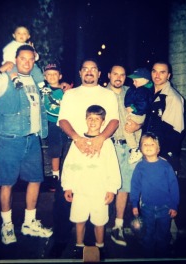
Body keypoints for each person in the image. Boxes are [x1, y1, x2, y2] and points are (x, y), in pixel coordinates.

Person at [0, 45, 53, 245]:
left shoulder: (35, 79)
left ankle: (29, 222)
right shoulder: (4, 78)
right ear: (15, 59)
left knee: (35, 180)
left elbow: (48, 97)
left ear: (34, 60)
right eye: (22, 58)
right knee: (7, 183)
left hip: (32, 138)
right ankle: (7, 226)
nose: (26, 62)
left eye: (30, 59)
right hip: (9, 139)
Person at [49, 58, 119, 258]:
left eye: (93, 69)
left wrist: (101, 138)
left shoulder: (108, 95)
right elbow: (63, 119)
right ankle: (62, 240)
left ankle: (98, 245)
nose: (89, 72)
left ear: (99, 73)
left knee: (99, 197)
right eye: (85, 69)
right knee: (65, 196)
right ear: (80, 73)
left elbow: (114, 119)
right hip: (75, 145)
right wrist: (77, 138)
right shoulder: (70, 95)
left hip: (101, 145)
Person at [61, 105, 121, 259]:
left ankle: (100, 246)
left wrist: (111, 189)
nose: (93, 121)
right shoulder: (78, 142)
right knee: (79, 220)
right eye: (90, 118)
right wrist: (67, 186)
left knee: (99, 222)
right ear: (85, 120)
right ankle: (79, 246)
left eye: (97, 119)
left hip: (99, 191)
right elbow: (69, 165)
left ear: (103, 122)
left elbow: (113, 167)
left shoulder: (107, 143)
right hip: (80, 190)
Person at [142, 61, 185, 244]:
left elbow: (176, 132)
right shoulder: (153, 93)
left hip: (163, 157)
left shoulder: (172, 98)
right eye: (155, 71)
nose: (157, 75)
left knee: (165, 199)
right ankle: (153, 236)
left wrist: (161, 159)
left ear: (169, 75)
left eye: (162, 72)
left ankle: (169, 238)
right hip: (151, 155)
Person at [106, 64, 141, 247]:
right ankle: (97, 226)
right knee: (106, 185)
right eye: (115, 74)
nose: (118, 77)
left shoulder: (133, 92)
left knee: (125, 187)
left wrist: (138, 126)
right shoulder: (101, 93)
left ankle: (117, 226)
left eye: (122, 74)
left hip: (130, 147)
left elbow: (145, 113)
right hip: (109, 147)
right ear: (109, 75)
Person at [130, 132, 180, 258]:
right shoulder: (140, 167)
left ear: (158, 149)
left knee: (163, 235)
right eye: (145, 144)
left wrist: (174, 205)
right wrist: (134, 204)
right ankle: (148, 257)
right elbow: (135, 186)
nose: (148, 146)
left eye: (152, 144)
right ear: (141, 149)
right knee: (148, 235)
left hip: (165, 208)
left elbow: (174, 186)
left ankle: (162, 256)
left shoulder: (165, 166)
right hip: (147, 208)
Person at [39, 62, 71, 191]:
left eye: (55, 74)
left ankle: (67, 178)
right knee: (55, 152)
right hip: (52, 124)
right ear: (44, 76)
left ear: (60, 76)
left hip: (66, 123)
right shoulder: (42, 90)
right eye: (48, 74)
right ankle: (55, 177)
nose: (52, 76)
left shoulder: (66, 91)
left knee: (67, 151)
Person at [124, 68, 153, 164]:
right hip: (136, 114)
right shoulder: (138, 89)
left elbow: (143, 105)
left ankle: (134, 149)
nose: (133, 82)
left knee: (127, 129)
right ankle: (137, 148)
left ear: (145, 80)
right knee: (136, 132)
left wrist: (133, 108)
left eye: (136, 80)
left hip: (137, 113)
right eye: (133, 80)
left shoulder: (143, 91)